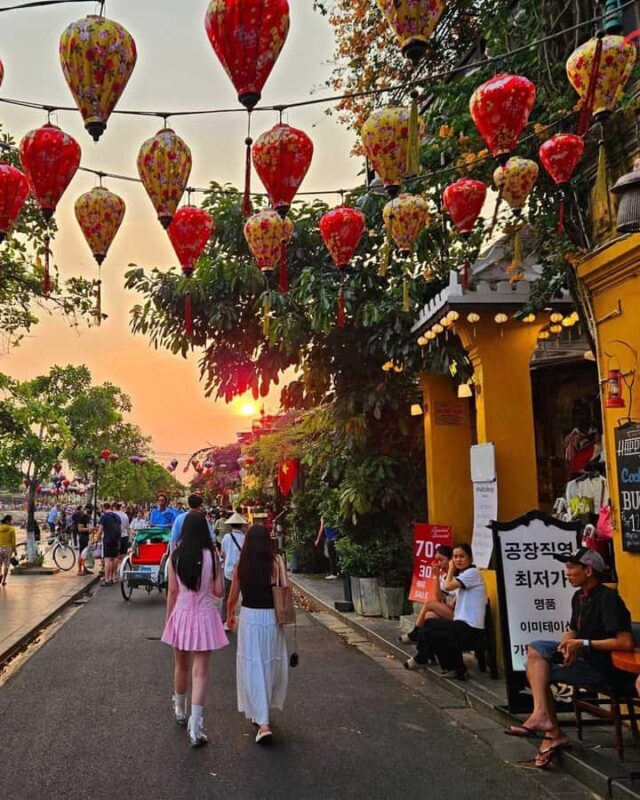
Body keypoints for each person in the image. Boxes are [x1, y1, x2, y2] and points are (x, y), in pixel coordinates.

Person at [506, 547, 633, 768]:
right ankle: (543, 717)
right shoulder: (579, 596)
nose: (568, 572)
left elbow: (625, 642)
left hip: (603, 667)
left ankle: (551, 733)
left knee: (539, 671)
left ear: (589, 571)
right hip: (582, 658)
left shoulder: (608, 598)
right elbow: (573, 630)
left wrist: (582, 644)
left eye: (572, 567)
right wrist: (567, 644)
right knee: (535, 651)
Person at [161, 512, 227, 747]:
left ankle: (180, 710)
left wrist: (169, 618)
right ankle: (195, 728)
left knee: (181, 666)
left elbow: (172, 591)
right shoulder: (213, 556)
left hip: (181, 613)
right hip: (206, 616)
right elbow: (219, 591)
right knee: (200, 672)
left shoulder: (175, 556)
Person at [226, 525, 289, 745]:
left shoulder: (241, 565)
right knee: (270, 664)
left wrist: (229, 615)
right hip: (272, 618)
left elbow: (232, 596)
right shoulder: (276, 563)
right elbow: (285, 589)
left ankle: (263, 722)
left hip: (250, 618)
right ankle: (261, 714)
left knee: (253, 666)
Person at [405, 543, 487, 680]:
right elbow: (442, 596)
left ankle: (422, 657)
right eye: (455, 557)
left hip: (472, 629)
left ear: (470, 559)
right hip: (461, 625)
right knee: (432, 627)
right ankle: (456, 668)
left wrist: (450, 568)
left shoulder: (472, 573)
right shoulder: (463, 575)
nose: (457, 560)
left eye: (462, 556)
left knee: (431, 624)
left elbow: (448, 587)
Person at [399, 545, 456, 644]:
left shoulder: (459, 577)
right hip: (448, 610)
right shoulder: (444, 577)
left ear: (450, 560)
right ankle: (429, 649)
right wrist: (437, 576)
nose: (438, 563)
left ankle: (415, 633)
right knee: (430, 616)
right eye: (436, 560)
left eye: (441, 560)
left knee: (429, 603)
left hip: (458, 614)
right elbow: (439, 598)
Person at [220, 512, 248, 631]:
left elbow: (223, 553)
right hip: (243, 571)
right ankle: (245, 620)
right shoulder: (245, 538)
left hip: (229, 571)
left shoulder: (226, 538)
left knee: (227, 597)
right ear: (241, 526)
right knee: (245, 596)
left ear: (231, 526)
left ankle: (226, 620)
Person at [96, 502, 122, 586]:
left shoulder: (104, 517)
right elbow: (120, 528)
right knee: (114, 558)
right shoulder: (117, 516)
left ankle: (107, 579)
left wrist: (96, 539)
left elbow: (100, 530)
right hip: (116, 540)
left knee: (107, 560)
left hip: (108, 540)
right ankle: (112, 577)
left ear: (104, 508)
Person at [76, 505, 93, 576]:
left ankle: (85, 569)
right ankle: (79, 570)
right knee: (81, 553)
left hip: (87, 537)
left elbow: (88, 526)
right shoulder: (82, 517)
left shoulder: (88, 517)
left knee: (86, 554)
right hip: (82, 537)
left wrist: (91, 530)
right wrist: (89, 529)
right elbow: (80, 529)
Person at [0, 514, 18, 587]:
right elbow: (13, 542)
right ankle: (4, 580)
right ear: (7, 521)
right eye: (11, 520)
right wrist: (15, 551)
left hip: (0, 548)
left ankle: (0, 574)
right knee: (6, 565)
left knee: (0, 564)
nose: (12, 522)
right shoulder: (12, 529)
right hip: (8, 549)